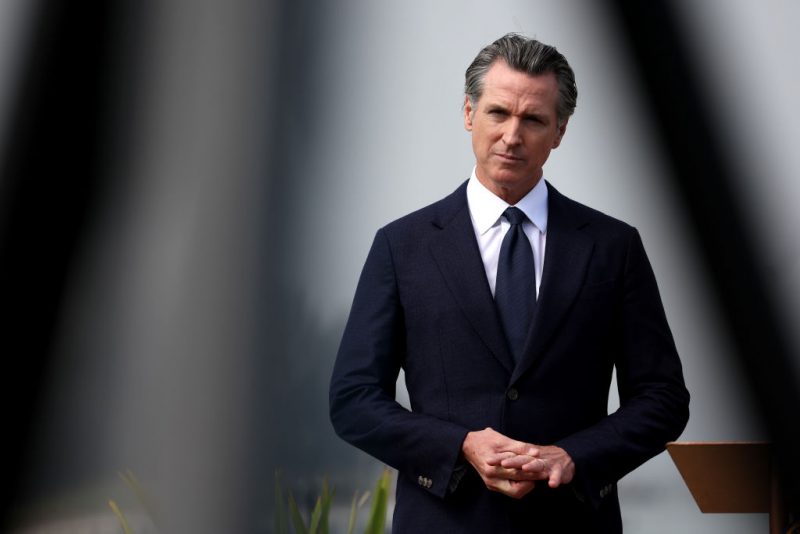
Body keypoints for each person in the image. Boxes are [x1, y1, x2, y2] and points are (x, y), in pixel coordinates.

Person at [329, 33, 689, 533]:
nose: (512, 135)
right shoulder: (401, 246)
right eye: (499, 113)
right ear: (468, 114)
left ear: (560, 130)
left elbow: (663, 397)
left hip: (572, 522)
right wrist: (460, 447)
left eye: (534, 119)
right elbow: (353, 400)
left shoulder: (613, 247)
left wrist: (575, 456)